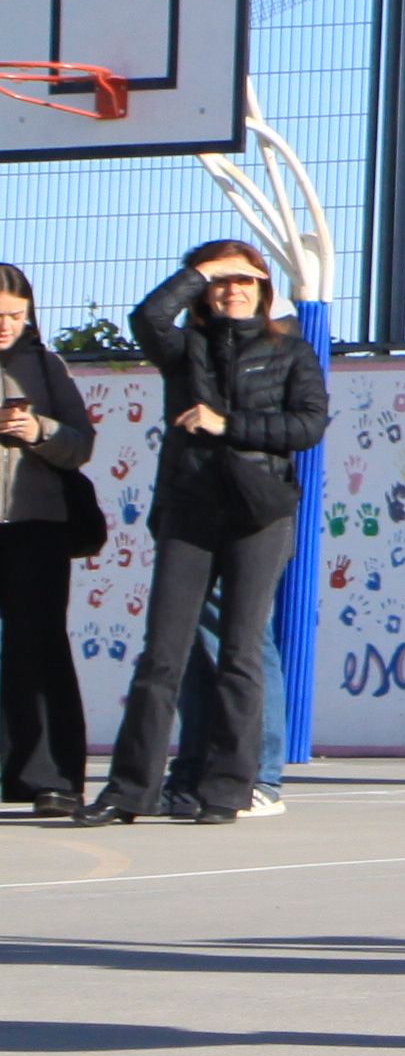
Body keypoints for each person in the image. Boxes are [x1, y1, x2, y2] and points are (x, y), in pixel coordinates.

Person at [85, 240, 328, 825]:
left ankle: (228, 788)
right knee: (162, 656)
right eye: (223, 281)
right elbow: (146, 318)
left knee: (241, 652)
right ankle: (128, 791)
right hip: (189, 511)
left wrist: (228, 425)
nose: (233, 290)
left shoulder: (291, 352)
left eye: (245, 280)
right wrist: (199, 271)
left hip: (258, 514)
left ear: (265, 290)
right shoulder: (182, 349)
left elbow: (308, 425)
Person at [0, 265, 107, 812]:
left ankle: (51, 778)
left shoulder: (47, 365)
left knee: (39, 646)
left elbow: (81, 444)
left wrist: (38, 431)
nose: (5, 325)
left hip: (37, 524)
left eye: (15, 315)